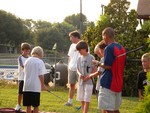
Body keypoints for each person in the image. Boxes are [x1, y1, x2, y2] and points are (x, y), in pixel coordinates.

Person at [93, 27, 126, 113]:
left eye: (102, 36)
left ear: (106, 36)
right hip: (118, 81)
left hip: (108, 82)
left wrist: (98, 63)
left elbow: (108, 66)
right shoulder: (122, 48)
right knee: (116, 109)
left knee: (108, 109)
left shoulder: (109, 48)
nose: (102, 39)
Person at [23, 46, 47, 113]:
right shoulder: (40, 62)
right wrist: (43, 85)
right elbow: (41, 75)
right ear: (40, 53)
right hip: (35, 87)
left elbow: (25, 72)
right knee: (35, 106)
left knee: (28, 105)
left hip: (26, 86)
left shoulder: (27, 60)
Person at [76, 40, 97, 113]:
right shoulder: (79, 58)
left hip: (88, 82)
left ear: (85, 48)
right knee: (81, 98)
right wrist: (80, 74)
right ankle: (83, 111)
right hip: (81, 81)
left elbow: (95, 69)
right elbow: (77, 69)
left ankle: (85, 112)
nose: (79, 52)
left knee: (86, 98)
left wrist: (88, 76)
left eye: (80, 50)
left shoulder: (91, 57)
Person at [65, 30, 81, 106]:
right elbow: (70, 57)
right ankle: (70, 102)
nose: (70, 39)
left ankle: (83, 103)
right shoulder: (71, 46)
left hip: (80, 69)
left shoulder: (83, 45)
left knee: (81, 85)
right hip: (71, 68)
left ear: (76, 37)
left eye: (71, 37)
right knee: (72, 85)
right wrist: (68, 66)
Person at [15, 42, 31, 111]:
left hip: (28, 78)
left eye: (28, 50)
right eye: (25, 50)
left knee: (27, 93)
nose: (27, 52)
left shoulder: (30, 58)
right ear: (22, 50)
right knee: (20, 92)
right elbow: (23, 66)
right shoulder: (20, 58)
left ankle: (28, 106)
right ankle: (18, 105)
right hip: (21, 78)